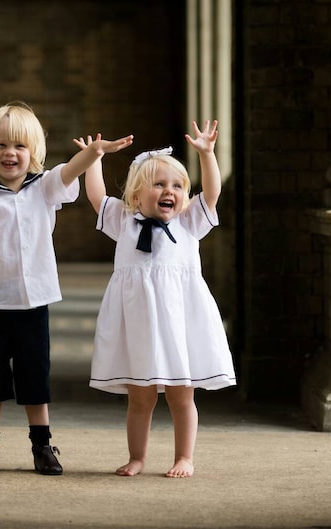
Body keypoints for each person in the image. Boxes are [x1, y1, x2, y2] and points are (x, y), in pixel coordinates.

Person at [0, 101, 133, 475]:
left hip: (35, 302)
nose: (10, 153)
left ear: (34, 153)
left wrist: (93, 152)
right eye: (2, 145)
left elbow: (70, 171)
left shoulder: (45, 188)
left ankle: (42, 444)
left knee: (34, 373)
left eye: (20, 146)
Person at [73, 120, 236, 478]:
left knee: (182, 394)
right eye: (159, 184)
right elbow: (97, 197)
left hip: (179, 321)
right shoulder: (124, 220)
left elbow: (212, 193)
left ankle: (185, 457)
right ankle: (138, 457)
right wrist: (94, 159)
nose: (170, 191)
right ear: (135, 196)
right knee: (140, 396)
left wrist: (207, 155)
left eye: (177, 185)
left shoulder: (189, 221)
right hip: (139, 322)